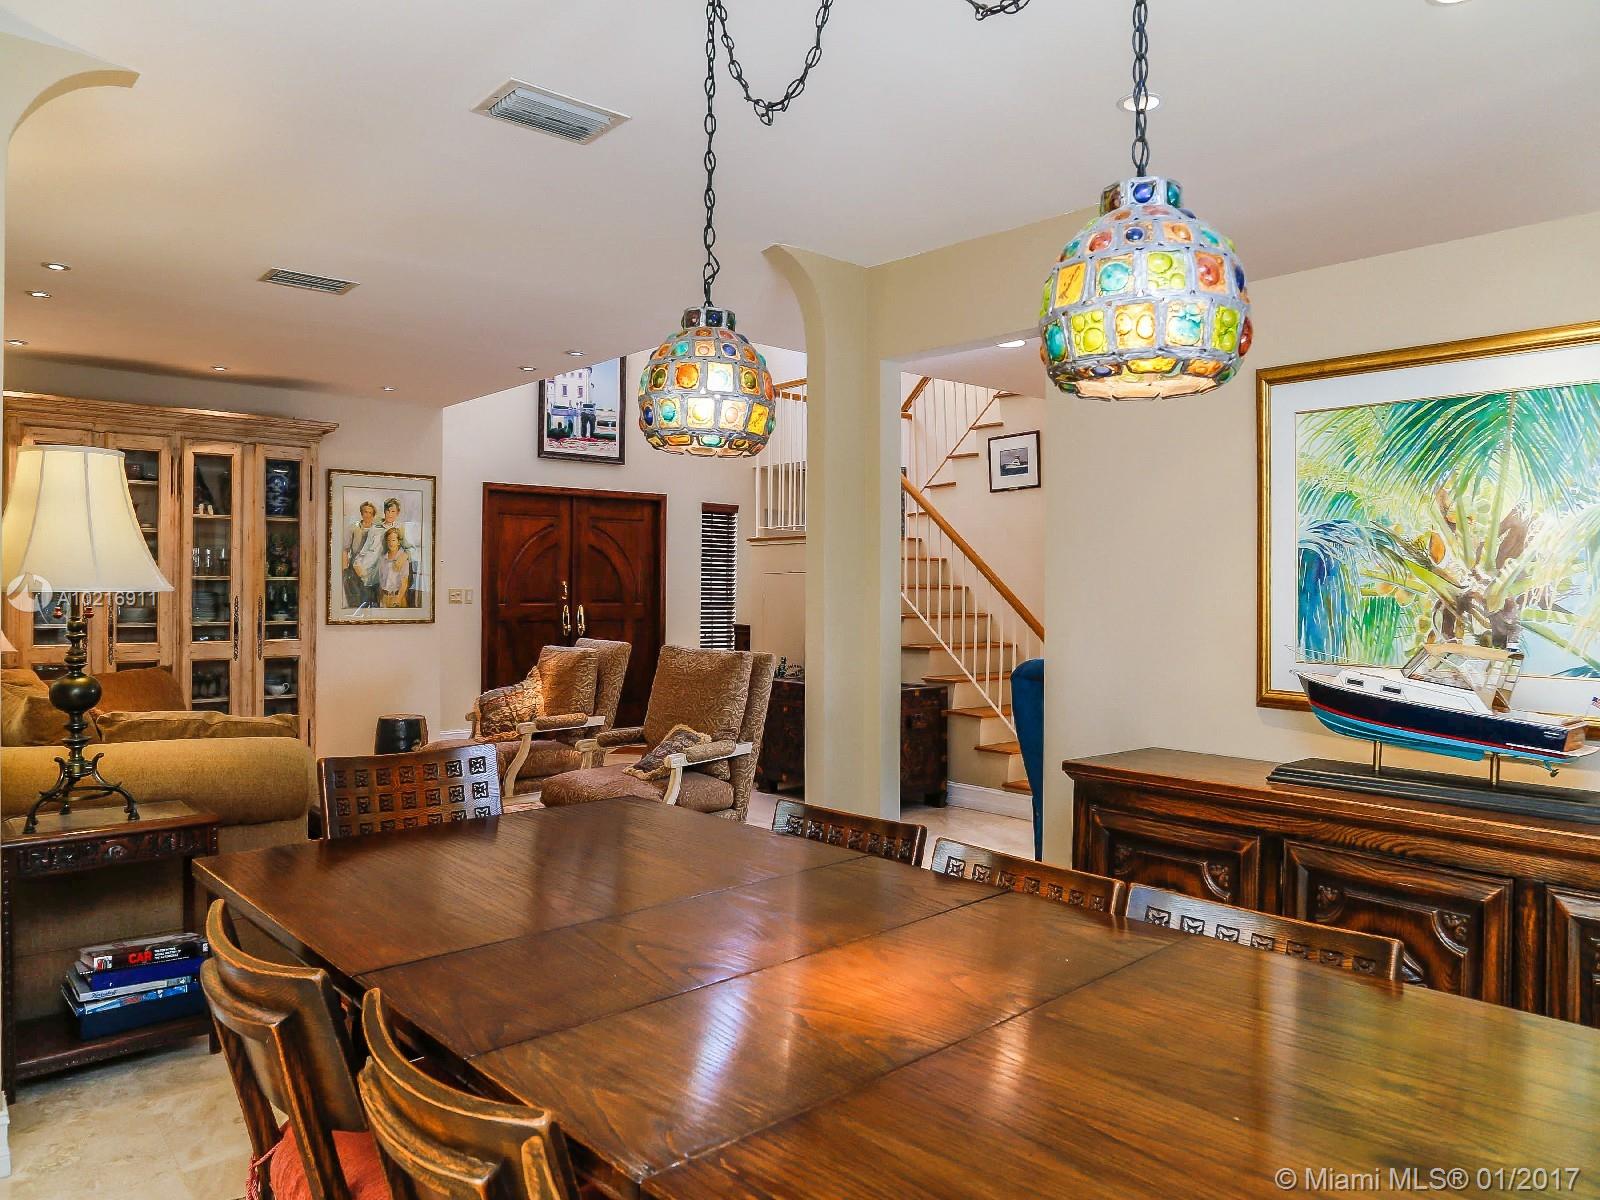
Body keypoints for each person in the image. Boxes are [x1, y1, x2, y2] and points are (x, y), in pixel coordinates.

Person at [341, 500, 384, 608]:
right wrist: (345, 570)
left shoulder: (377, 530)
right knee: (356, 597)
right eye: (365, 512)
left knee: (371, 597)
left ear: (373, 515)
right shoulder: (353, 528)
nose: (367, 515)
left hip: (372, 568)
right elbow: (345, 549)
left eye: (370, 513)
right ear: (361, 513)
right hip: (355, 567)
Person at [378, 525, 411, 608]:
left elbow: (404, 583)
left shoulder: (402, 559)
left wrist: (398, 600)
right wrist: (381, 598)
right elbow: (381, 580)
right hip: (385, 597)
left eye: (393, 540)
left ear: (398, 542)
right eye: (388, 540)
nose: (390, 543)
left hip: (397, 597)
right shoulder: (383, 559)